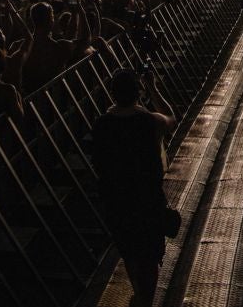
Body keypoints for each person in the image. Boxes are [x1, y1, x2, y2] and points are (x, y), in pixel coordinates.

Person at [89, 67, 176, 306]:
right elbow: (171, 118)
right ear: (138, 93)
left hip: (117, 199)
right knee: (149, 252)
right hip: (147, 197)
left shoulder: (101, 125)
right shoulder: (151, 120)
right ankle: (146, 297)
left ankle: (139, 291)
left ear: (113, 94)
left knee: (129, 250)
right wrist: (154, 89)